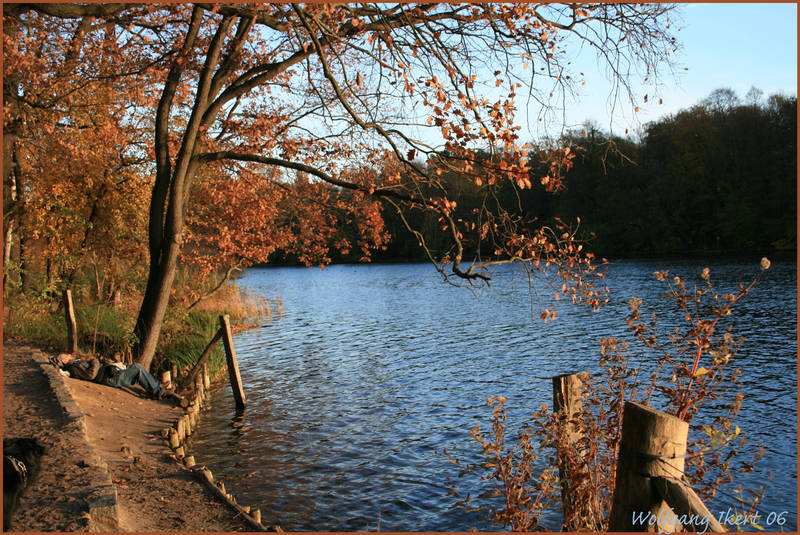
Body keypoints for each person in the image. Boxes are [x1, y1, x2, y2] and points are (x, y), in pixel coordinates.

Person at [56, 354, 174, 401]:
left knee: (136, 367)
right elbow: (91, 374)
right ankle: (159, 392)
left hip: (108, 372)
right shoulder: (74, 366)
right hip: (108, 377)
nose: (68, 354)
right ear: (65, 360)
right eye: (65, 355)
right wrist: (94, 361)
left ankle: (156, 386)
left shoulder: (76, 363)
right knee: (137, 368)